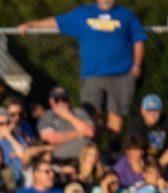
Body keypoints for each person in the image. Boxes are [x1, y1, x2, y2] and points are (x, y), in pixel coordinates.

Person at [20, 1, 147, 137]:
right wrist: (32, 24)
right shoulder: (83, 13)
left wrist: (137, 65)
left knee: (116, 114)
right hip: (92, 74)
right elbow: (58, 22)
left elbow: (138, 40)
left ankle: (113, 152)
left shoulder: (126, 14)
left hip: (121, 74)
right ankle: (93, 152)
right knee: (91, 115)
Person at [37, 86, 96, 162]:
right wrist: (78, 133)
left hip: (87, 157)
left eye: (65, 99)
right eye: (57, 100)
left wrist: (68, 116)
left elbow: (90, 132)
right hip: (62, 160)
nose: (61, 103)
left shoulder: (80, 112)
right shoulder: (47, 117)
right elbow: (51, 139)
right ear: (51, 101)